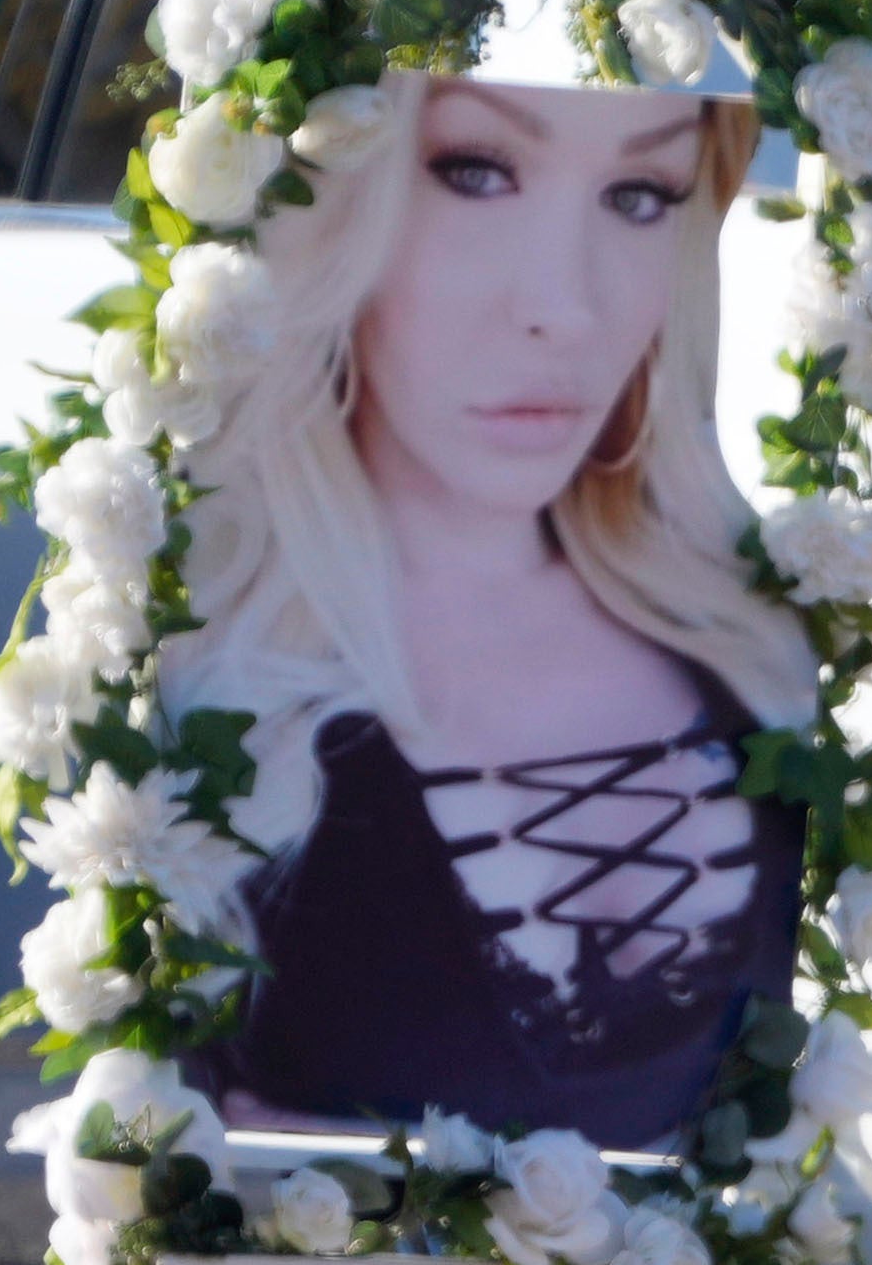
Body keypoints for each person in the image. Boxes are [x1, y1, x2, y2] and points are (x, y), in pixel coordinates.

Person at [180, 70, 810, 1152]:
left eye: (641, 195)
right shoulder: (199, 676)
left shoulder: (759, 647)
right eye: (476, 173)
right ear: (328, 203)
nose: (563, 307)